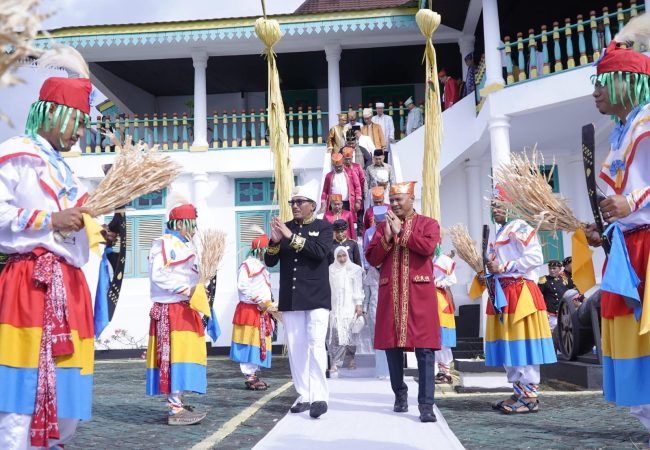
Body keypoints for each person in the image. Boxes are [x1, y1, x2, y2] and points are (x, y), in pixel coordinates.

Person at [0, 46, 102, 449]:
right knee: (20, 394)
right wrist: (49, 220)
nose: (79, 133)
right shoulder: (15, 156)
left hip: (71, 288)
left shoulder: (68, 173)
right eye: (77, 122)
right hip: (30, 284)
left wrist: (96, 232)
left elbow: (74, 233)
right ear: (54, 113)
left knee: (67, 395)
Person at [587, 23, 650, 435]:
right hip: (627, 251)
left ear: (627, 80)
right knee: (632, 350)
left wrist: (633, 202)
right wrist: (606, 226)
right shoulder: (620, 133)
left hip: (647, 249)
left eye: (602, 82)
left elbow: (636, 197)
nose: (596, 92)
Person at [365, 181, 441, 423]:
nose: (395, 204)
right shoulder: (382, 227)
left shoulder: (428, 224)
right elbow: (371, 258)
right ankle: (399, 394)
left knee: (426, 349)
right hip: (391, 293)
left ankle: (426, 405)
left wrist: (402, 232)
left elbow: (427, 247)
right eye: (393, 200)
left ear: (411, 199)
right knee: (392, 346)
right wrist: (387, 237)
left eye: (399, 199)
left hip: (420, 294)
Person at [265, 180, 332, 419]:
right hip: (292, 297)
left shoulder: (324, 227)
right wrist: (274, 241)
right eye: (292, 202)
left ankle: (319, 397)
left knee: (315, 345)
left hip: (316, 296)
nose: (294, 206)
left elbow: (319, 253)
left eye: (299, 202)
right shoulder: (286, 227)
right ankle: (304, 395)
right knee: (296, 347)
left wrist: (290, 236)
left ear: (312, 205)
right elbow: (270, 261)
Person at [486, 186, 556, 414]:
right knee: (510, 344)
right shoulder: (500, 232)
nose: (495, 210)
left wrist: (503, 267)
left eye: (500, 205)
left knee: (523, 343)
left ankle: (530, 396)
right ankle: (518, 392)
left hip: (520, 291)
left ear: (511, 207)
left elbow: (536, 257)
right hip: (504, 292)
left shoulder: (520, 227)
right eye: (493, 206)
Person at [145, 201, 208, 425]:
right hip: (171, 309)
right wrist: (186, 290)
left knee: (185, 357)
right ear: (180, 224)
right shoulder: (164, 244)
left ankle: (178, 401)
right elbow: (159, 276)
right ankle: (174, 408)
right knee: (173, 358)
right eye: (192, 224)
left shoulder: (185, 246)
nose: (195, 229)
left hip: (184, 308)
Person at [231, 231, 274, 391]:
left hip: (260, 310)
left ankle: (253, 375)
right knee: (249, 344)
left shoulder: (259, 266)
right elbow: (242, 286)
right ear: (261, 250)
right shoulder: (247, 265)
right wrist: (258, 301)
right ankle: (250, 377)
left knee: (257, 344)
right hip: (250, 311)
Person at [362, 205, 390, 378]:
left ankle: (390, 369)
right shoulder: (369, 232)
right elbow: (366, 251)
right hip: (374, 306)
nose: (380, 224)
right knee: (377, 337)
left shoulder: (392, 230)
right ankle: (381, 369)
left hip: (389, 304)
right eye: (378, 222)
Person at [328, 246, 365, 375]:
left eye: (344, 256)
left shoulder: (355, 269)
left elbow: (358, 287)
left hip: (350, 306)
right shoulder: (331, 269)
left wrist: (359, 304)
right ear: (335, 257)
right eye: (339, 256)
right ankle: (335, 362)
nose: (342, 259)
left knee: (350, 335)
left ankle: (350, 359)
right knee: (336, 334)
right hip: (336, 307)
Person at [433, 249, 457, 385]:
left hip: (441, 300)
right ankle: (439, 370)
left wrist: (438, 283)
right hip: (428, 299)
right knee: (433, 336)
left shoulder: (443, 259)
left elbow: (452, 279)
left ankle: (445, 371)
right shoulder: (425, 258)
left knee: (443, 337)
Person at [319, 153, 361, 224]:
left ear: (343, 164)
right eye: (336, 166)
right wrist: (323, 204)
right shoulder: (329, 176)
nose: (338, 168)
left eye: (340, 166)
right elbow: (324, 191)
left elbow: (357, 187)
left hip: (347, 203)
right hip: (334, 204)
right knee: (334, 222)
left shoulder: (350, 172)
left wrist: (358, 201)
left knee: (348, 223)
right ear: (333, 165)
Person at [538, 260, 570, 331]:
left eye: (554, 268)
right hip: (551, 314)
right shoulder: (544, 280)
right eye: (550, 268)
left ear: (560, 269)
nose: (551, 270)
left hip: (563, 313)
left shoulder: (564, 279)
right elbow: (538, 296)